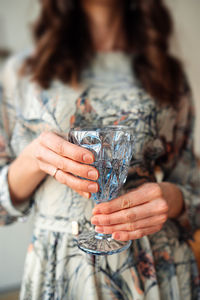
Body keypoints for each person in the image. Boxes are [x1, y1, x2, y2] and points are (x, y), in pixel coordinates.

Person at [0, 0, 200, 299]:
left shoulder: (165, 73)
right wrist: (33, 157)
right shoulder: (21, 73)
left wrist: (172, 199)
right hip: (63, 270)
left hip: (155, 266)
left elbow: (193, 191)